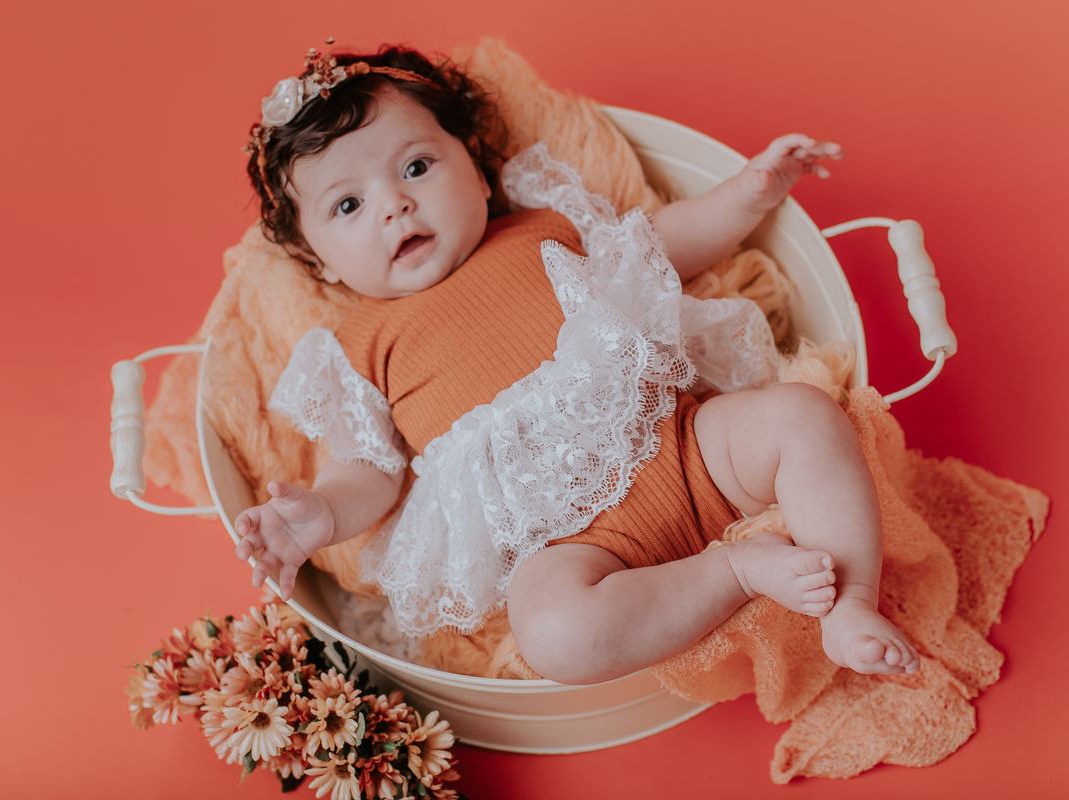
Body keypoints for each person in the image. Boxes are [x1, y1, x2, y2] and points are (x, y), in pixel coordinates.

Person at [233, 45, 919, 684]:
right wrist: (324, 513)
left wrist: (748, 194)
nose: (395, 205)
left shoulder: (544, 230)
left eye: (416, 167)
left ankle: (851, 602)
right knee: (556, 634)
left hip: (689, 447)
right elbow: (367, 469)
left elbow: (659, 252)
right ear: (320, 260)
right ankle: (738, 571)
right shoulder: (357, 346)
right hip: (569, 546)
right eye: (348, 205)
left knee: (803, 417)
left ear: (476, 172)